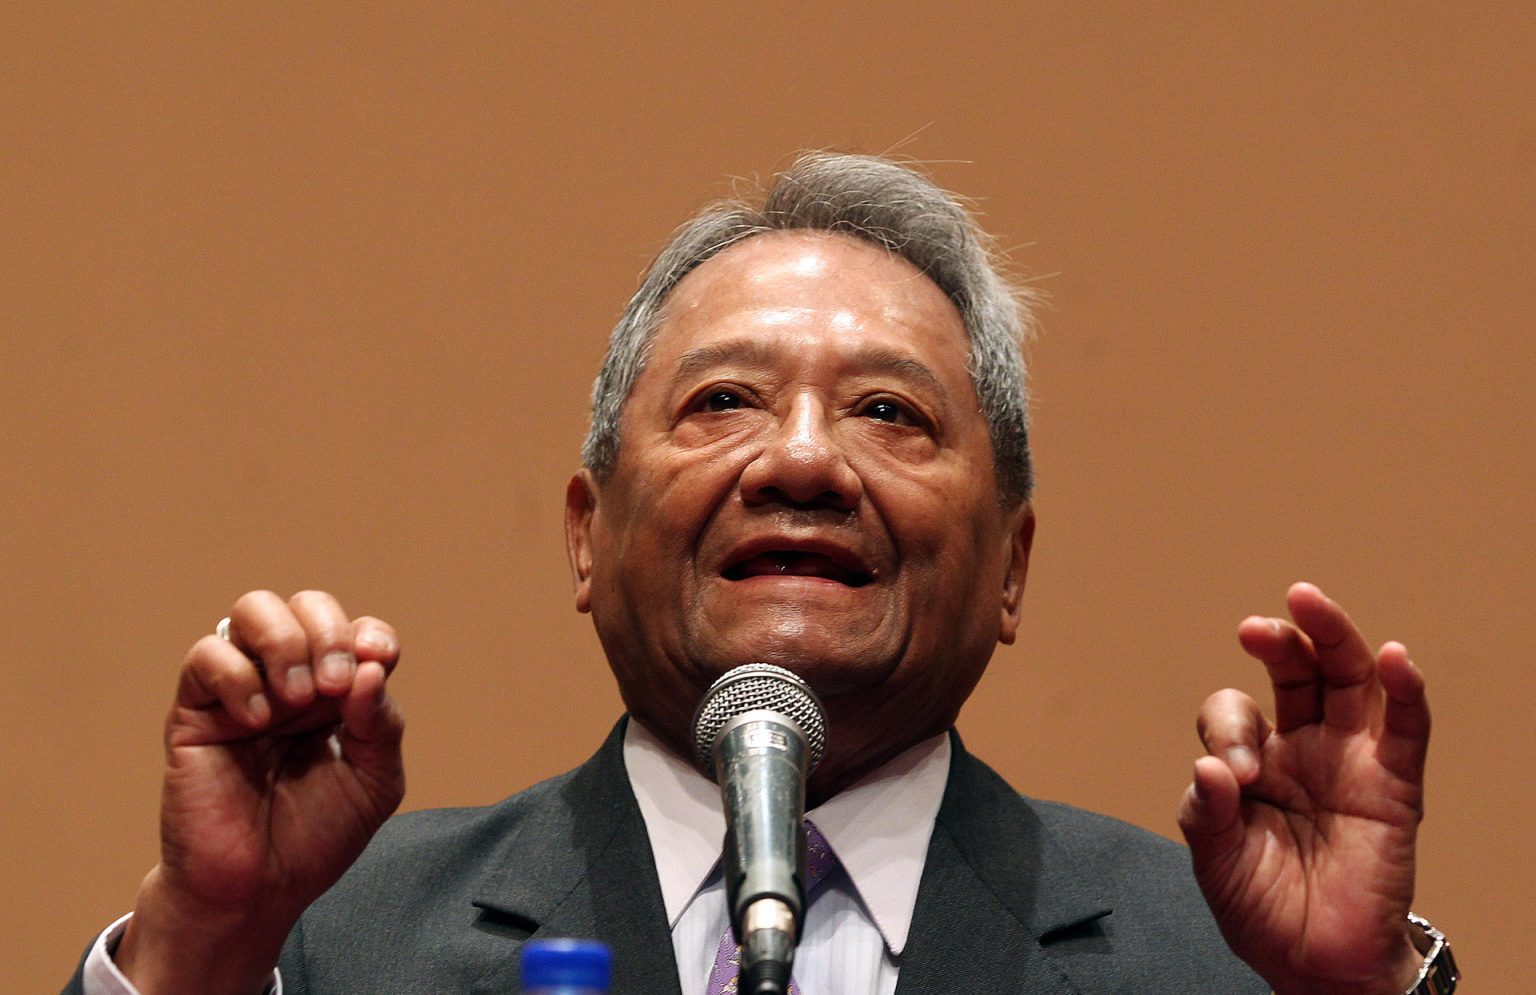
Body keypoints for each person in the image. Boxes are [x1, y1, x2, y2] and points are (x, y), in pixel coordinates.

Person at [68, 153, 1449, 994]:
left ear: (1014, 566)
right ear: (585, 537)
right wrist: (203, 947)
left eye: (890, 414)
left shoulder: (1221, 962)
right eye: (724, 401)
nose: (801, 461)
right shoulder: (331, 948)